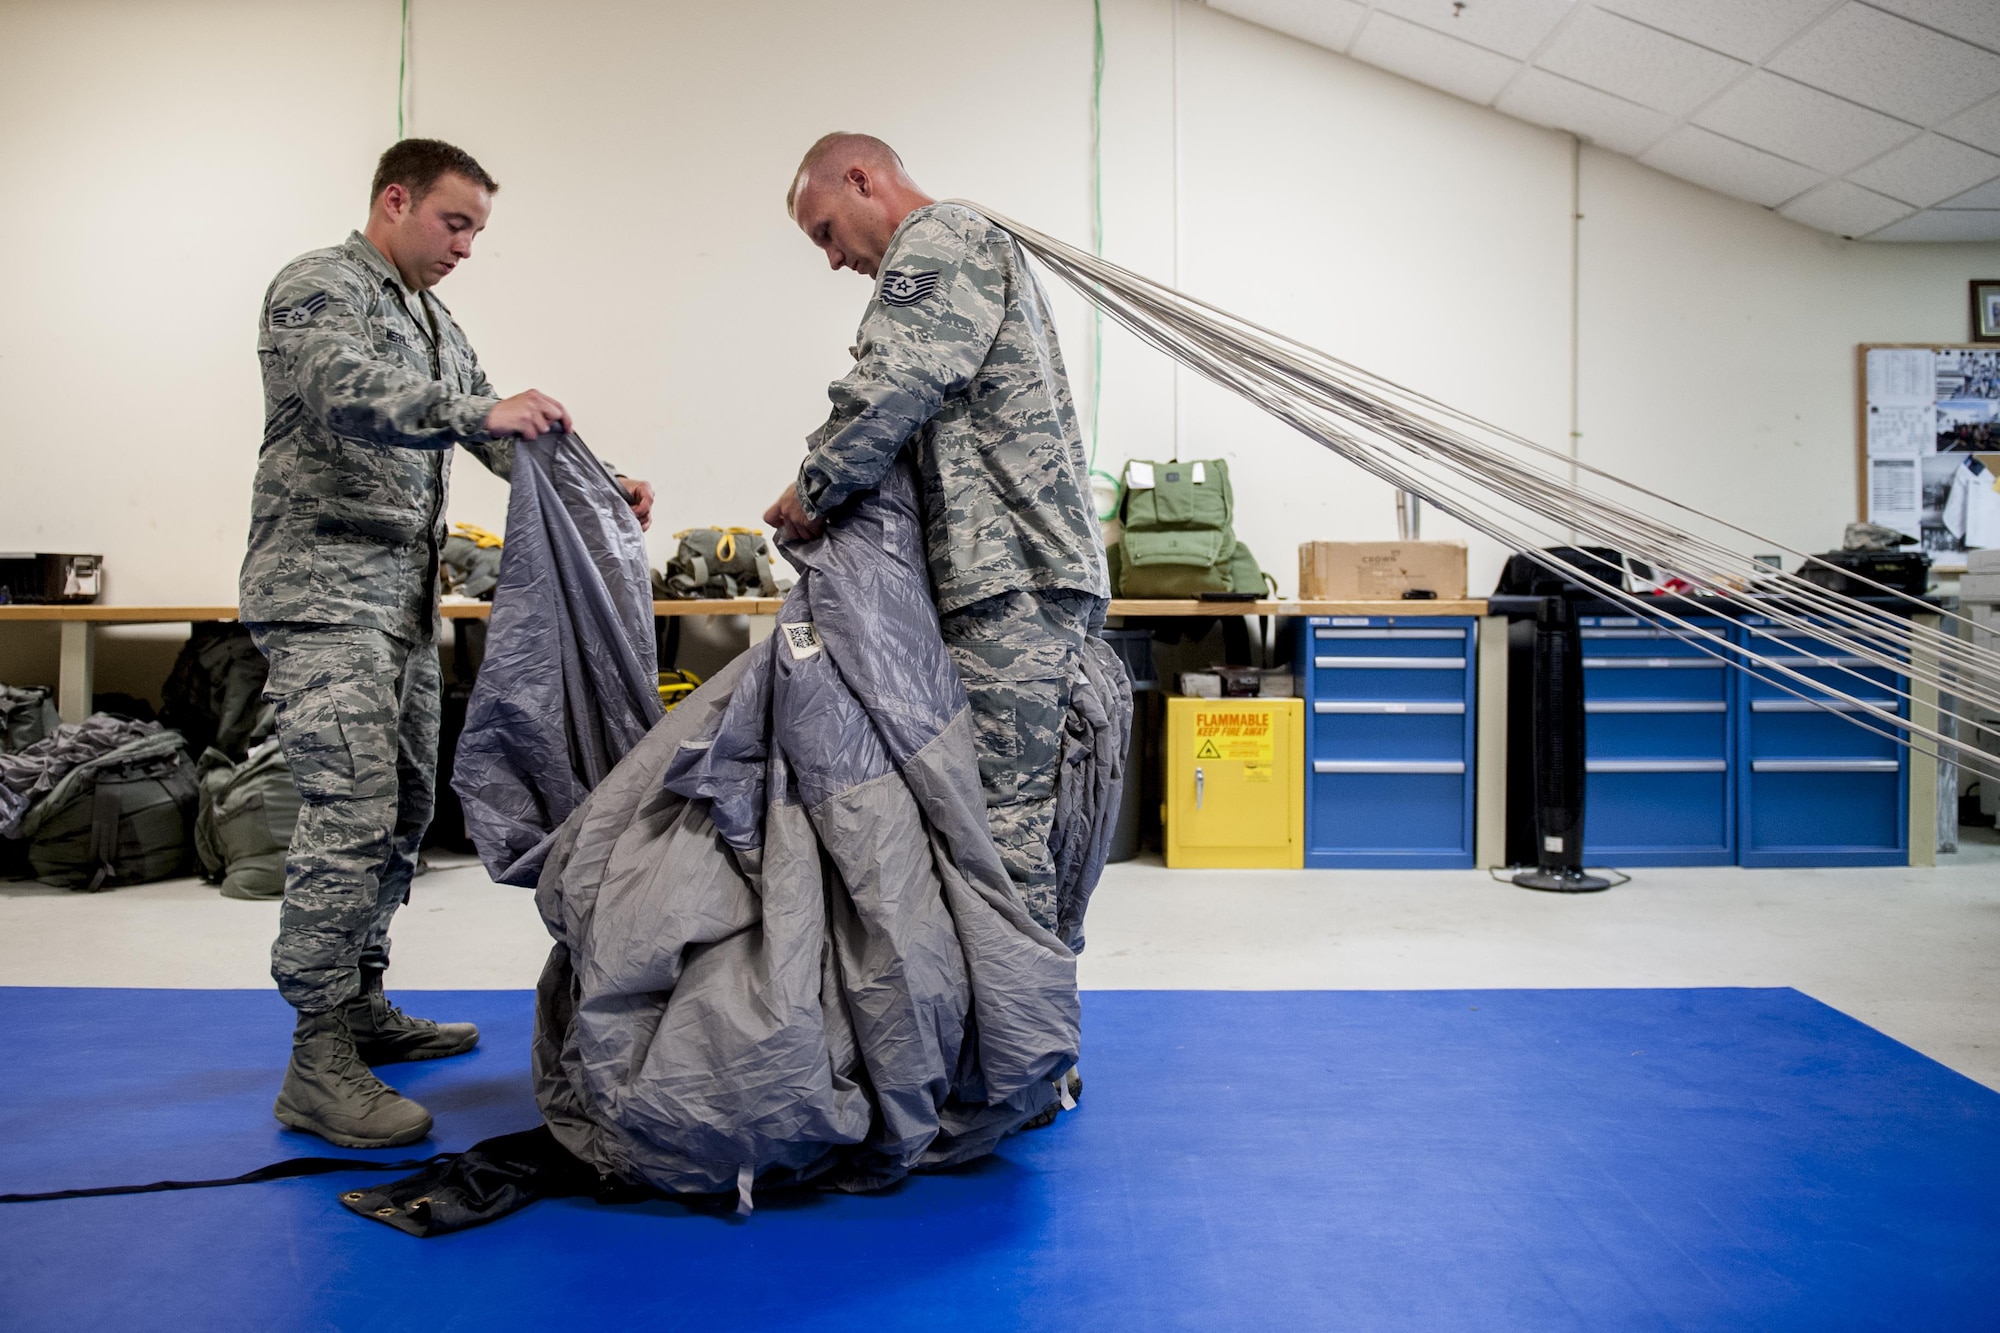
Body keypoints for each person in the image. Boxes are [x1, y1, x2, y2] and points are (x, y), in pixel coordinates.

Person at [240, 139, 654, 1148]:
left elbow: (491, 435)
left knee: (404, 811)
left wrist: (603, 483)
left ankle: (364, 1004)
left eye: (476, 230)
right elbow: (345, 392)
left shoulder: (432, 320)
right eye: (453, 222)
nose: (466, 246)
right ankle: (316, 1055)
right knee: (349, 808)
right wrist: (482, 407)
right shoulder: (319, 288)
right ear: (395, 199)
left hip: (399, 604)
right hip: (321, 594)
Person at [765, 133, 1109, 934]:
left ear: (861, 178)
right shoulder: (966, 246)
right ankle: (1022, 1034)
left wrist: (812, 489)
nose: (830, 258)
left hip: (1010, 581)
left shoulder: (941, 240)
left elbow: (895, 380)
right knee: (1005, 813)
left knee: (1001, 823)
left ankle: (1025, 1052)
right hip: (1014, 576)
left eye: (824, 231)